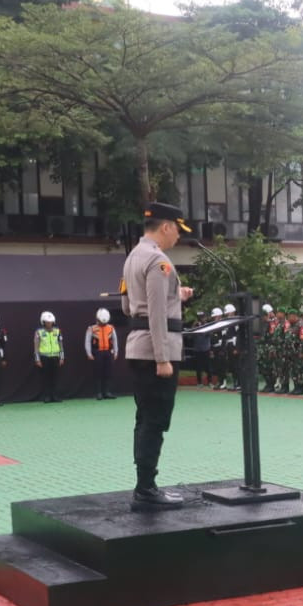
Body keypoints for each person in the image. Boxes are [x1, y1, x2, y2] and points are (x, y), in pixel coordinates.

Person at [122, 202, 196, 509]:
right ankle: (146, 489)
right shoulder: (159, 260)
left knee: (145, 418)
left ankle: (145, 485)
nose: (178, 236)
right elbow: (154, 313)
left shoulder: (133, 256)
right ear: (165, 227)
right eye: (177, 229)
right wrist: (163, 357)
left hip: (138, 347)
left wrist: (176, 295)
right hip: (156, 353)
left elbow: (129, 306)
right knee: (155, 420)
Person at [86, 308, 118, 399]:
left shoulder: (111, 328)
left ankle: (107, 392)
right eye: (101, 322)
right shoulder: (92, 328)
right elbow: (87, 341)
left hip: (108, 352)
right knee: (98, 372)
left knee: (108, 372)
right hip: (97, 352)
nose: (103, 324)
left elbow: (115, 340)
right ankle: (99, 393)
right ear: (97, 319)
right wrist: (89, 353)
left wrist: (116, 352)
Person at [33, 311, 64, 402]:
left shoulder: (57, 331)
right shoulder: (39, 332)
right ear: (43, 322)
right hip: (44, 358)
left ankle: (55, 396)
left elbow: (61, 344)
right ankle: (47, 396)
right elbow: (36, 346)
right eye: (47, 322)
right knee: (46, 378)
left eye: (51, 322)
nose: (49, 323)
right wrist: (37, 359)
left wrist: (62, 357)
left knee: (55, 377)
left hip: (55, 357)